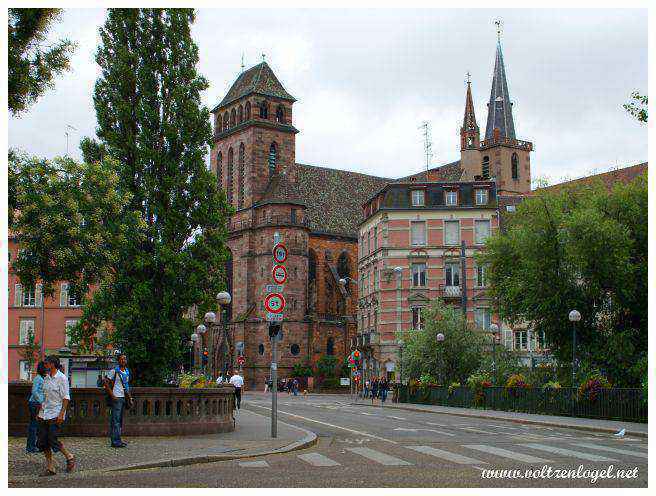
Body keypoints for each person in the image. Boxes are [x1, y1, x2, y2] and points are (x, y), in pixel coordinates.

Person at [37, 355, 75, 475]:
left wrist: (61, 414)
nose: (45, 365)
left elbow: (65, 398)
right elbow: (45, 398)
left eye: (47, 363)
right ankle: (50, 467)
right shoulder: (47, 378)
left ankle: (69, 456)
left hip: (56, 413)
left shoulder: (62, 378)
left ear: (53, 364)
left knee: (52, 439)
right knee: (43, 441)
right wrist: (40, 411)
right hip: (45, 413)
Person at [103, 354, 132, 448]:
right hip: (117, 397)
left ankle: (118, 439)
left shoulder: (126, 371)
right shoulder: (114, 371)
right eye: (122, 359)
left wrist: (129, 398)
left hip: (124, 397)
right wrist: (112, 395)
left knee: (119, 420)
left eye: (125, 359)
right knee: (115, 420)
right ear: (118, 361)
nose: (123, 360)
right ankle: (115, 441)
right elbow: (106, 383)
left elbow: (126, 386)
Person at [27, 361, 47, 453]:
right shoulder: (38, 378)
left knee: (35, 426)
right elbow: (34, 391)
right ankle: (31, 447)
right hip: (35, 404)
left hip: (37, 403)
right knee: (34, 426)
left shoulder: (42, 378)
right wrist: (41, 401)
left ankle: (33, 446)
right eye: (45, 367)